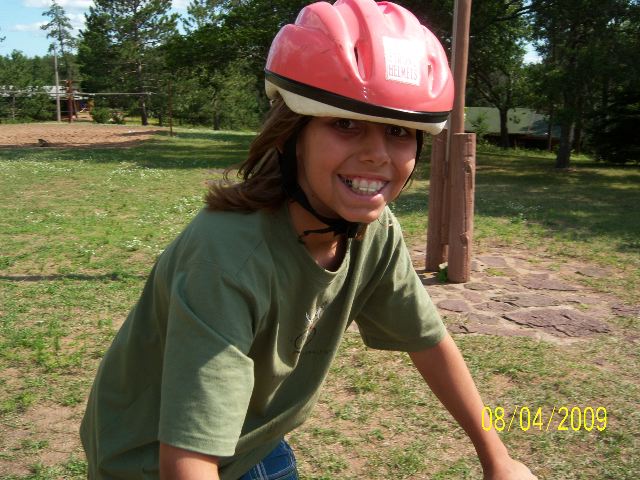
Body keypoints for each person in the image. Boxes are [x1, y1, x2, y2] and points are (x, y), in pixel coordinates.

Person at [80, 0, 537, 478]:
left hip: (252, 438)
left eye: (399, 131)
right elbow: (186, 460)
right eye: (345, 124)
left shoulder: (375, 232)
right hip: (147, 462)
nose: (377, 154)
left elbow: (429, 343)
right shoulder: (227, 256)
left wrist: (498, 458)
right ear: (290, 134)